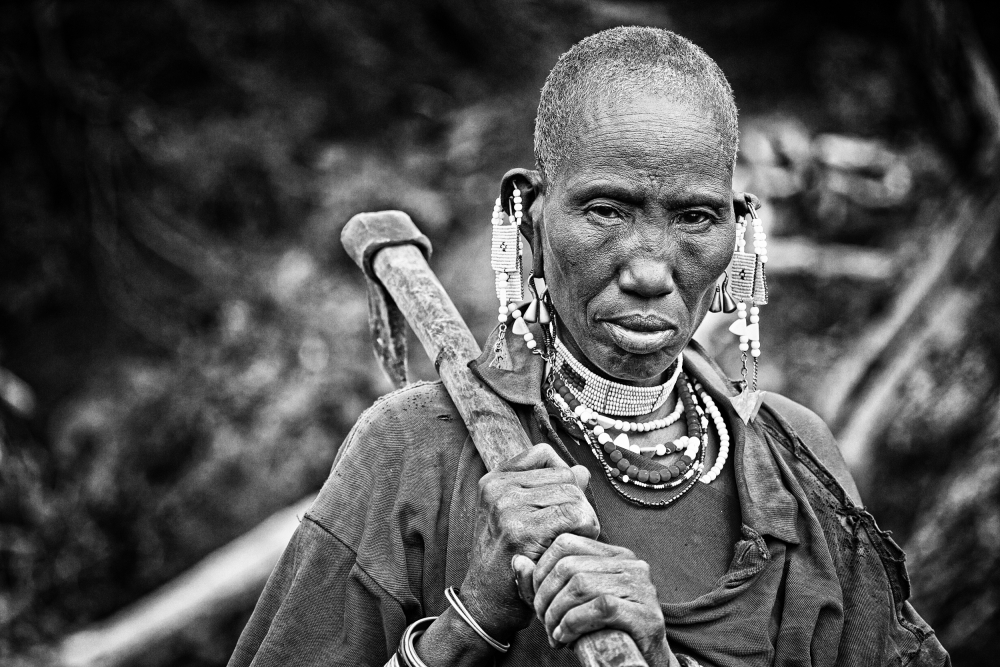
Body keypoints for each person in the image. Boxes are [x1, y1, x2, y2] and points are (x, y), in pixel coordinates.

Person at [228, 27, 949, 667]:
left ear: (742, 235)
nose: (647, 269)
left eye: (696, 216)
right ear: (531, 217)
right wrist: (470, 619)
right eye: (607, 209)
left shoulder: (798, 461)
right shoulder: (414, 450)